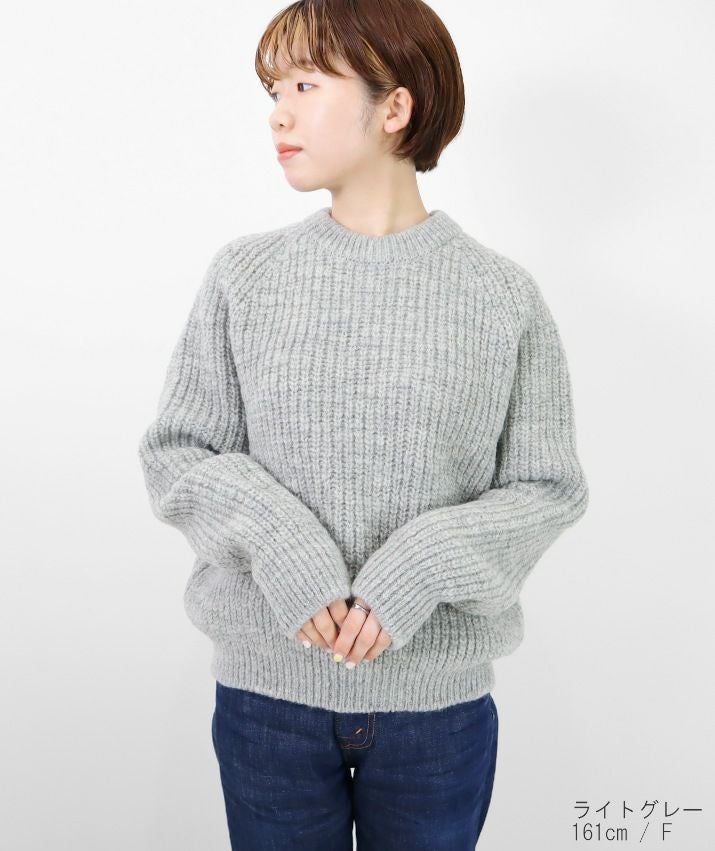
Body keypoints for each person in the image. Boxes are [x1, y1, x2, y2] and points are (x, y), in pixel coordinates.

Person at [137, 1, 589, 848]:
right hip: (267, 700)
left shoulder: (500, 296)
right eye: (274, 90)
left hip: (436, 714)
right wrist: (284, 545)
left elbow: (546, 487)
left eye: (305, 85)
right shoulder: (246, 276)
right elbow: (180, 450)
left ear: (394, 107)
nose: (278, 113)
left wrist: (419, 564)